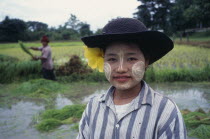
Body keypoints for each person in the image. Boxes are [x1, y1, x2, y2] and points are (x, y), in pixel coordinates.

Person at [77, 18, 187, 139]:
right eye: (112, 59)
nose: (121, 69)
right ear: (103, 62)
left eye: (131, 59)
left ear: (146, 61)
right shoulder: (93, 106)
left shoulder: (165, 111)